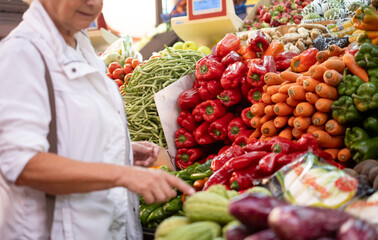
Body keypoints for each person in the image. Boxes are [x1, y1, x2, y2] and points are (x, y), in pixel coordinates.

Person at [0, 0, 194, 239]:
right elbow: (22, 164)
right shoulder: (21, 55)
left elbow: (65, 128)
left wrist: (117, 150)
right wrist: (123, 174)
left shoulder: (80, 48)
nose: (92, 3)